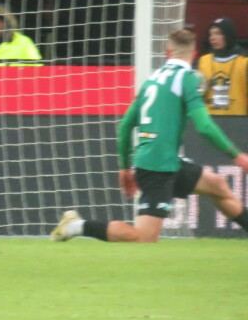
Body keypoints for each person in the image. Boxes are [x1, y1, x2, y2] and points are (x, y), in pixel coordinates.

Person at [52, 29, 248, 243]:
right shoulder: (187, 78)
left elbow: (125, 126)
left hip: (165, 161)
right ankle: (75, 226)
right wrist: (236, 155)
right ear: (194, 55)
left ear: (167, 52)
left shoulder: (152, 80)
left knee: (218, 186)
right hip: (157, 168)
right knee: (144, 237)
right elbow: (204, 126)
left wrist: (124, 168)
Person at [196, 17, 247, 115]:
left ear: (228, 35)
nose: (212, 38)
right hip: (210, 119)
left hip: (237, 120)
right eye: (210, 34)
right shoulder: (203, 61)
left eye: (218, 33)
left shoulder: (244, 62)